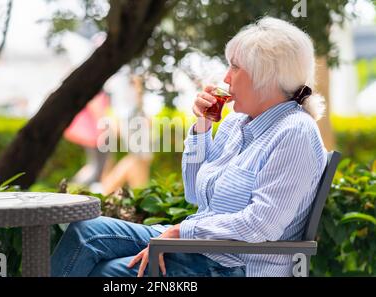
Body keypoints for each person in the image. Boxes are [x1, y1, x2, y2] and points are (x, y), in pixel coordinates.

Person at [51, 16, 327, 277]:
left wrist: (181, 233)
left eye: (235, 67)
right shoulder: (236, 124)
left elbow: (261, 224)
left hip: (235, 265)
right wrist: (201, 128)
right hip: (202, 249)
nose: (226, 78)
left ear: (265, 75)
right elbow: (195, 192)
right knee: (84, 232)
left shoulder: (295, 133)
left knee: (105, 273)